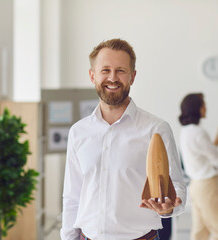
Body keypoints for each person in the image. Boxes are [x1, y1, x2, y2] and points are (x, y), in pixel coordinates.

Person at [60, 38, 186, 240]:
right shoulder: (79, 132)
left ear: (132, 76)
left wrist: (168, 208)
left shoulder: (155, 129)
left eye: (120, 70)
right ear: (92, 76)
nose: (112, 77)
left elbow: (177, 186)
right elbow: (72, 196)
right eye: (105, 70)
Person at [178, 93, 218, 240]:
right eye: (203, 105)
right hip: (207, 185)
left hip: (196, 185)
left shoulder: (185, 132)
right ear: (197, 108)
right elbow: (217, 159)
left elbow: (204, 153)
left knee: (200, 233)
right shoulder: (198, 132)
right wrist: (215, 166)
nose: (205, 108)